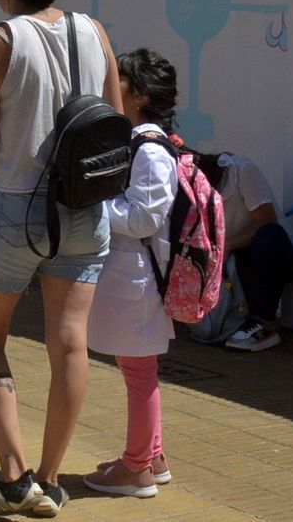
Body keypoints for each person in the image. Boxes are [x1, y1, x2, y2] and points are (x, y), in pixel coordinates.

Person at [0, 0, 122, 519]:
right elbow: (115, 123)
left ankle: (12, 474)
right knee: (69, 343)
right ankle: (51, 481)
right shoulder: (93, 31)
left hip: (12, 206)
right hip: (83, 207)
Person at [83, 49, 181, 499]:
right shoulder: (140, 142)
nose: (110, 85)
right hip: (131, 274)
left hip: (137, 275)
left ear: (138, 95)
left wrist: (91, 202)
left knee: (139, 373)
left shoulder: (151, 149)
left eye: (119, 80)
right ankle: (151, 456)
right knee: (137, 369)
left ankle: (137, 468)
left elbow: (144, 218)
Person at [192, 151, 293, 352]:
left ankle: (264, 323)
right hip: (230, 264)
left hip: (269, 255)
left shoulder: (240, 170)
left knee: (269, 235)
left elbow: (267, 220)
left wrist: (227, 246)